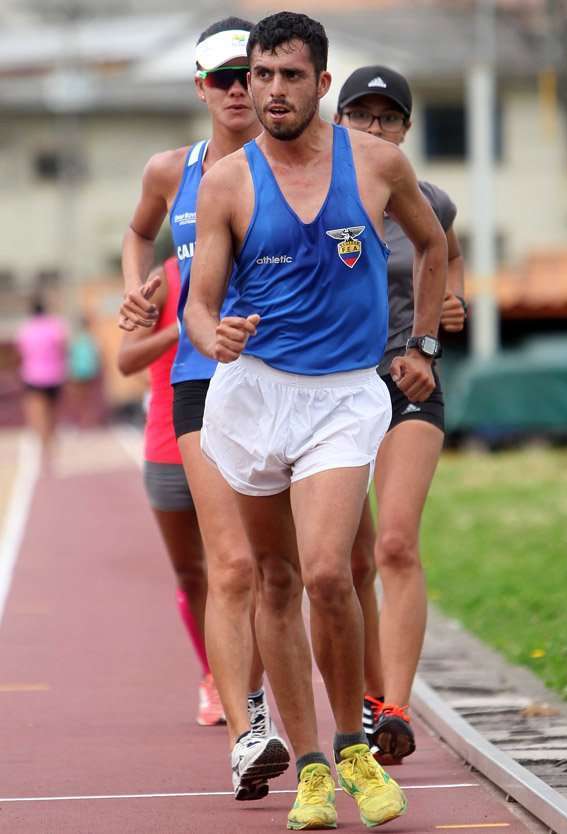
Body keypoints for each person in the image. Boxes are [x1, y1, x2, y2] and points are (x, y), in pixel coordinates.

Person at [184, 12, 448, 830]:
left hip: (341, 395)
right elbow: (200, 305)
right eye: (260, 76)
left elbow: (435, 247)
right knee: (273, 578)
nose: (269, 91)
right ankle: (306, 767)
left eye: (288, 76)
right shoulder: (228, 182)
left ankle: (355, 749)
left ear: (321, 84)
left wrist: (424, 342)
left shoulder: (375, 164)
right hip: (255, 393)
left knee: (331, 571)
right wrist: (212, 334)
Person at [118, 18, 289, 801]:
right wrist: (136, 285)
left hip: (286, 377)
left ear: (265, 81)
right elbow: (138, 232)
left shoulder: (297, 167)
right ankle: (247, 728)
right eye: (219, 77)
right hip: (198, 378)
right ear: (201, 87)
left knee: (290, 570)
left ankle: (322, 724)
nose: (234, 90)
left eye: (246, 75)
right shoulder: (169, 170)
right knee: (230, 566)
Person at [334, 66, 467, 765]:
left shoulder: (431, 200)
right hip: (331, 391)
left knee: (394, 545)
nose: (375, 129)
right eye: (362, 115)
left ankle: (396, 706)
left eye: (388, 118)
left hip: (407, 381)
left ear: (406, 130)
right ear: (339, 120)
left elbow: (445, 261)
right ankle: (362, 699)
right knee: (346, 560)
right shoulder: (315, 199)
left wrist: (444, 321)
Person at [118, 256, 226, 727]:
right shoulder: (167, 277)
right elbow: (126, 360)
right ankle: (213, 677)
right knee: (191, 572)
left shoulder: (253, 258)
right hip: (167, 442)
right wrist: (182, 330)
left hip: (233, 438)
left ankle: (246, 682)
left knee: (241, 567)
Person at [16, 295, 68, 469]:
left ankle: (45, 448)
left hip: (33, 376)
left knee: (39, 415)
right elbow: (63, 348)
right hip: (55, 375)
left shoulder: (26, 329)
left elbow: (21, 353)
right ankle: (52, 446)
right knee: (52, 413)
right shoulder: (55, 326)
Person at [68, 314, 101, 428]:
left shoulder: (77, 338)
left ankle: (85, 420)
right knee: (86, 398)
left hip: (80, 371)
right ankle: (86, 420)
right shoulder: (90, 338)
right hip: (87, 370)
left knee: (82, 398)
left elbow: (70, 355)